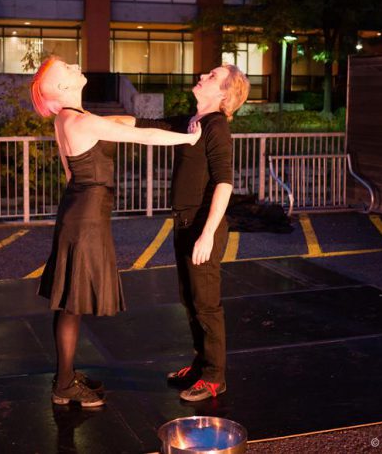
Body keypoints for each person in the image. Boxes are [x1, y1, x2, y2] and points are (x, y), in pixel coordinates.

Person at [30, 56, 201, 408]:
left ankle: (65, 376)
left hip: (80, 210)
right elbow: (140, 136)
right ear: (63, 88)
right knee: (71, 303)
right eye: (68, 69)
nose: (77, 66)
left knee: (69, 303)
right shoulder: (82, 122)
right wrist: (190, 139)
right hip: (86, 217)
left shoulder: (69, 119)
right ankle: (64, 385)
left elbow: (113, 131)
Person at [120, 64, 250, 401]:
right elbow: (140, 125)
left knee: (206, 303)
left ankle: (214, 377)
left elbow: (224, 182)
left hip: (203, 224)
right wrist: (86, 119)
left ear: (224, 94)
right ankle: (200, 364)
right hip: (184, 222)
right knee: (189, 299)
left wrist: (207, 234)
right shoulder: (191, 122)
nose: (203, 76)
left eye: (212, 77)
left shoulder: (216, 125)